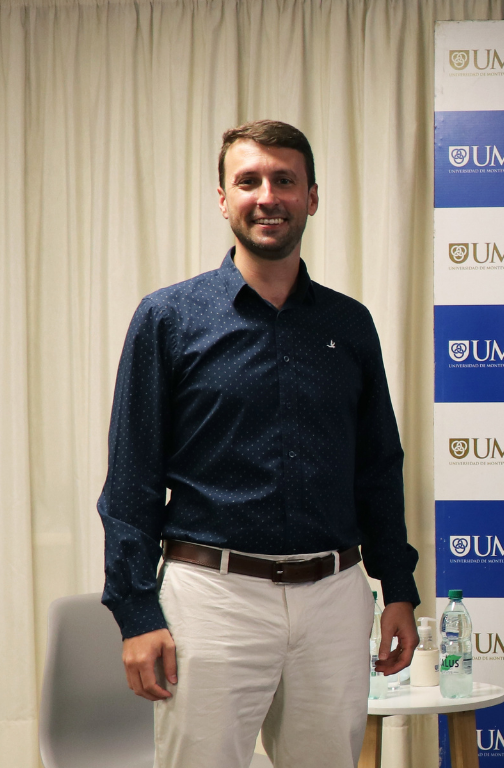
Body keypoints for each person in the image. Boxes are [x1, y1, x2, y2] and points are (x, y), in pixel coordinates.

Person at [97, 120, 419, 768]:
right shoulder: (168, 319)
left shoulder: (349, 325)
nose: (267, 195)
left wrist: (401, 588)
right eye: (249, 181)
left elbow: (378, 468)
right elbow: (132, 479)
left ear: (313, 197)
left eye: (285, 181)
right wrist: (134, 610)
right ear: (223, 199)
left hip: (334, 596)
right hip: (210, 598)